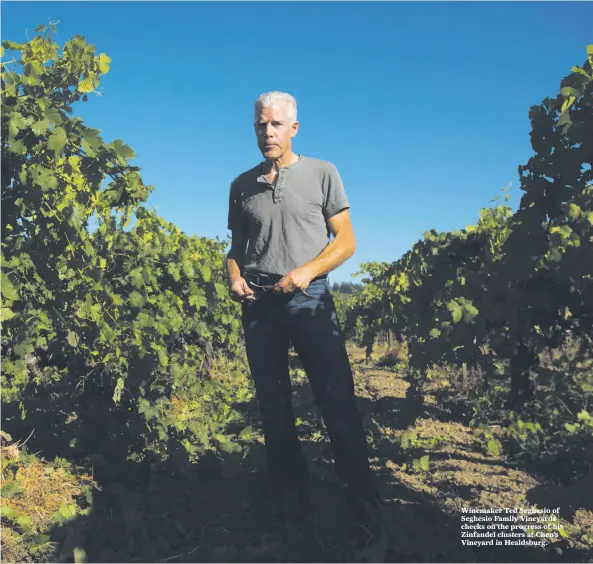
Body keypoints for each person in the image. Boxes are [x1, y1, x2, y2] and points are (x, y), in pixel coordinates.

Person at [225, 91, 380, 535]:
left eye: (275, 125)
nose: (267, 132)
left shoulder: (322, 174)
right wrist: (233, 277)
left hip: (308, 300)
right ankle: (291, 496)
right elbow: (236, 250)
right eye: (260, 125)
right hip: (258, 305)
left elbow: (346, 242)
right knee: (273, 404)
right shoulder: (241, 186)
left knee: (337, 400)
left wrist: (305, 273)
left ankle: (361, 499)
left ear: (294, 128)